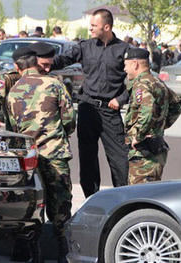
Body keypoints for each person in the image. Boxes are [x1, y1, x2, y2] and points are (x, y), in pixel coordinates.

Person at [51, 8, 131, 198]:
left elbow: (138, 82)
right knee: (87, 160)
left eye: (94, 26)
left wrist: (120, 99)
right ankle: (91, 199)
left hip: (110, 112)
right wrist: (40, 63)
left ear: (107, 27)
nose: (90, 29)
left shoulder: (124, 50)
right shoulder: (85, 47)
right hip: (87, 108)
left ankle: (123, 200)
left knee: (120, 160)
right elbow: (62, 60)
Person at [7, 46, 76, 263]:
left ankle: (32, 252)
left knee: (33, 204)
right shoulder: (55, 84)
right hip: (55, 153)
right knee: (61, 204)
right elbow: (70, 120)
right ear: (37, 64)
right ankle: (65, 252)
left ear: (19, 67)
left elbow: (14, 127)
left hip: (29, 156)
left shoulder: (13, 91)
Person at [123, 48, 181, 184]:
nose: (124, 69)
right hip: (156, 147)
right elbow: (177, 103)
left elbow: (147, 111)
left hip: (144, 152)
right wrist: (162, 124)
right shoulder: (156, 82)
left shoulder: (141, 85)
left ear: (135, 64)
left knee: (138, 195)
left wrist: (138, 135)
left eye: (126, 65)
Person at [0, 42, 56, 129]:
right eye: (44, 64)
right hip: (17, 135)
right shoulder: (10, 79)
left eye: (50, 65)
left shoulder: (51, 81)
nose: (48, 69)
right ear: (33, 61)